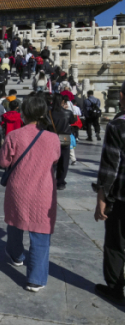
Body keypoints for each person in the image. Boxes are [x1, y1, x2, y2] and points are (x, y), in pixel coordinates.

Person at [0, 96, 61, 292]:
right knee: (40, 234)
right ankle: (36, 278)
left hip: (19, 188)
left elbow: (3, 162)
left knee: (16, 222)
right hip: (43, 190)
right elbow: (56, 158)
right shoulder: (52, 137)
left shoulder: (14, 136)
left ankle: (16, 255)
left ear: (23, 113)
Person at [93, 80, 125, 306]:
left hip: (122, 199)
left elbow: (109, 168)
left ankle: (115, 288)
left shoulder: (117, 126)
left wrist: (101, 200)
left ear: (122, 97)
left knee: (116, 243)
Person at [49, 94, 76, 190]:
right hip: (65, 137)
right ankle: (60, 182)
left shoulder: (49, 113)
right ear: (63, 102)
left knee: (52, 160)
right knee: (64, 160)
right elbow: (73, 120)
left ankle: (49, 179)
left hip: (52, 137)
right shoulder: (67, 112)